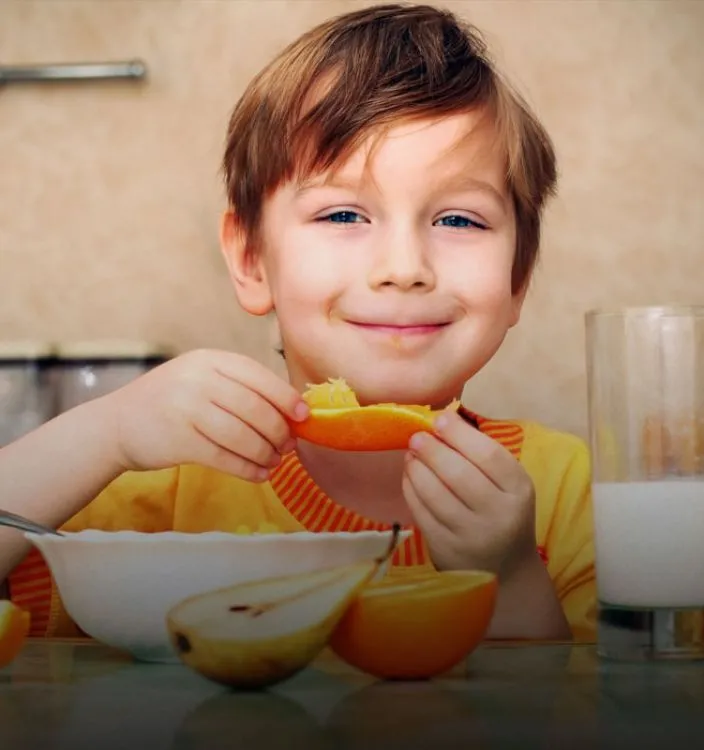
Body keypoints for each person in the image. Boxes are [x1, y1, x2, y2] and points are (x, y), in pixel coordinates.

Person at [0, 3, 596, 642]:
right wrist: (105, 433)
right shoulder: (157, 483)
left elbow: (607, 712)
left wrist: (506, 576)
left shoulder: (564, 487)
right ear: (253, 260)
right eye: (342, 216)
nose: (403, 268)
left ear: (517, 281)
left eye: (459, 220)